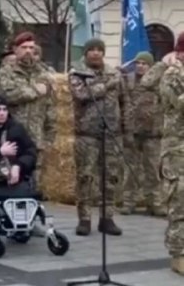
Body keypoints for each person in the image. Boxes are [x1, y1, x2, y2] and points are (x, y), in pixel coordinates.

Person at [69, 38, 125, 237]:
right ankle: (84, 219)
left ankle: (107, 218)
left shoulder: (115, 73)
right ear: (85, 53)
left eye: (99, 50)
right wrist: (106, 85)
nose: (95, 53)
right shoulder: (78, 73)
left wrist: (123, 129)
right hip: (87, 134)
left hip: (111, 133)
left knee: (110, 177)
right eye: (91, 49)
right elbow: (81, 95)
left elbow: (123, 101)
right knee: (86, 177)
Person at [0, 32, 56, 174]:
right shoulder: (4, 74)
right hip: (11, 136)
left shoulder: (44, 74)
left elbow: (50, 105)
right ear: (15, 49)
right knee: (10, 174)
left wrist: (50, 135)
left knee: (36, 176)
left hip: (37, 135)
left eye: (31, 47)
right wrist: (35, 91)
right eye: (24, 47)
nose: (28, 51)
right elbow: (7, 96)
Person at [121, 51, 164, 216]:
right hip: (132, 132)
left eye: (144, 63)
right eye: (138, 63)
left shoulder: (157, 83)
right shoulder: (128, 82)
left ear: (150, 66)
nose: (140, 66)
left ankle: (154, 203)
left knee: (152, 170)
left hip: (152, 133)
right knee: (130, 170)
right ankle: (128, 202)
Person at [159, 34, 184, 275]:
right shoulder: (172, 76)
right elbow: (178, 104)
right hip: (177, 150)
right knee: (180, 202)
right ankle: (179, 255)